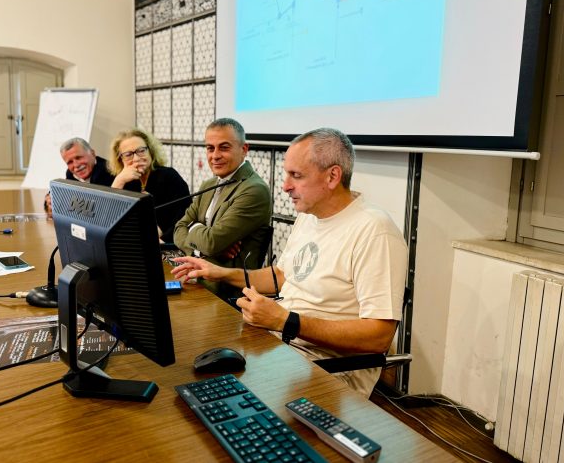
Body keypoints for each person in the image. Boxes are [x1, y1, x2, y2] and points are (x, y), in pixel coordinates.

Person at [172, 128, 408, 397]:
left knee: (219, 401)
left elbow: (379, 337)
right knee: (189, 373)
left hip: (328, 368)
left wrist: (287, 321)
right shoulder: (309, 215)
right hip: (279, 343)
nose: (285, 185)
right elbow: (283, 276)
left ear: (332, 176)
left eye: (296, 175)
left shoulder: (374, 230)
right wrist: (221, 273)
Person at [173, 118, 272, 270]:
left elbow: (211, 243)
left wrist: (193, 227)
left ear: (244, 149)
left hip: (226, 287)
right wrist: (199, 250)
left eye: (224, 148)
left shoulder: (254, 190)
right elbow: (179, 229)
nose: (215, 155)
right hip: (196, 273)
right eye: (210, 148)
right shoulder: (209, 184)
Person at [108, 128, 190, 243]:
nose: (136, 158)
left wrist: (162, 239)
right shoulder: (122, 181)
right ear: (120, 159)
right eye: (128, 154)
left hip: (168, 243)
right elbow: (108, 220)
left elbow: (185, 215)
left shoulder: (169, 176)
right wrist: (119, 181)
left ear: (150, 151)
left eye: (141, 150)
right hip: (132, 243)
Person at [44, 137, 114, 217]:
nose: (76, 165)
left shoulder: (109, 170)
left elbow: (98, 208)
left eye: (78, 158)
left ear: (93, 154)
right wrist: (50, 201)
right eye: (70, 162)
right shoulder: (70, 174)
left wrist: (66, 202)